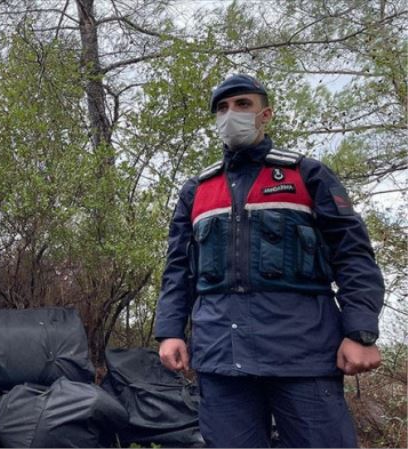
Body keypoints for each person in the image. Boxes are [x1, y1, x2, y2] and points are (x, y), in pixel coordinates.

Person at [154, 74, 384, 448]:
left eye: (243, 104)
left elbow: (354, 255)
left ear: (266, 114)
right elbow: (178, 269)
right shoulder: (197, 190)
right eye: (223, 108)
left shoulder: (307, 175)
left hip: (303, 353)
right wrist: (170, 331)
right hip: (220, 356)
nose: (232, 114)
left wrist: (359, 332)